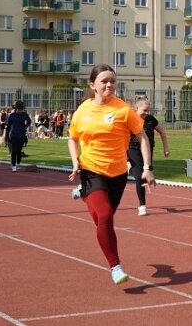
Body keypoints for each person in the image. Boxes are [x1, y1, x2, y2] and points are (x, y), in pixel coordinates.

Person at [67, 64, 155, 285]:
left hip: (117, 173)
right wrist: (75, 161)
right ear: (92, 85)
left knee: (103, 220)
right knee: (105, 216)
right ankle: (116, 266)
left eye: (112, 81)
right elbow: (72, 137)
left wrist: (146, 168)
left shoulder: (123, 110)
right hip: (91, 169)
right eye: (104, 81)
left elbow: (142, 137)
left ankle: (83, 193)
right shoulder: (83, 110)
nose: (109, 85)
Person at [128, 98, 170, 216]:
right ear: (136, 109)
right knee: (139, 176)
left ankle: (132, 169)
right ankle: (142, 205)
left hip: (148, 150)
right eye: (144, 110)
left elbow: (162, 132)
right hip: (133, 149)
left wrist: (166, 147)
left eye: (149, 111)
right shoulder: (130, 118)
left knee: (147, 174)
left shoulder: (151, 119)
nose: (147, 113)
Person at [6, 100, 31, 172]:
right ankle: (13, 166)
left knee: (19, 151)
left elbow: (29, 121)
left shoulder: (25, 114)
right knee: (13, 151)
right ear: (16, 108)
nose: (20, 110)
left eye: (21, 109)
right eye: (19, 109)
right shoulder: (12, 115)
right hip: (14, 135)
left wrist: (26, 126)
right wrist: (7, 136)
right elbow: (8, 126)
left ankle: (18, 163)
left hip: (22, 135)